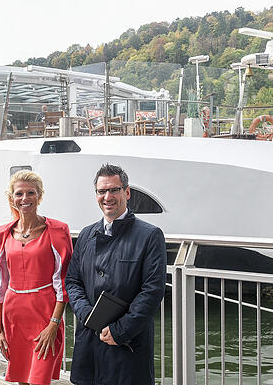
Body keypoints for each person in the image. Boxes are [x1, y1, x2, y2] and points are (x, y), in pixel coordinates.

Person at [65, 164, 166, 385]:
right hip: (90, 339)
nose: (107, 196)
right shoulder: (86, 234)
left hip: (127, 344)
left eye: (114, 190)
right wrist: (87, 314)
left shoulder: (149, 235)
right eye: (102, 191)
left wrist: (120, 330)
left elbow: (152, 291)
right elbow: (72, 281)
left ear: (127, 193)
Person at [0, 170, 73, 385]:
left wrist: (54, 324)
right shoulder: (3, 232)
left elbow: (64, 281)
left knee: (39, 379)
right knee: (22, 378)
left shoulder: (58, 231)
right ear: (12, 198)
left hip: (45, 313)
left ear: (39, 196)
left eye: (30, 193)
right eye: (19, 194)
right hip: (13, 314)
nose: (24, 199)